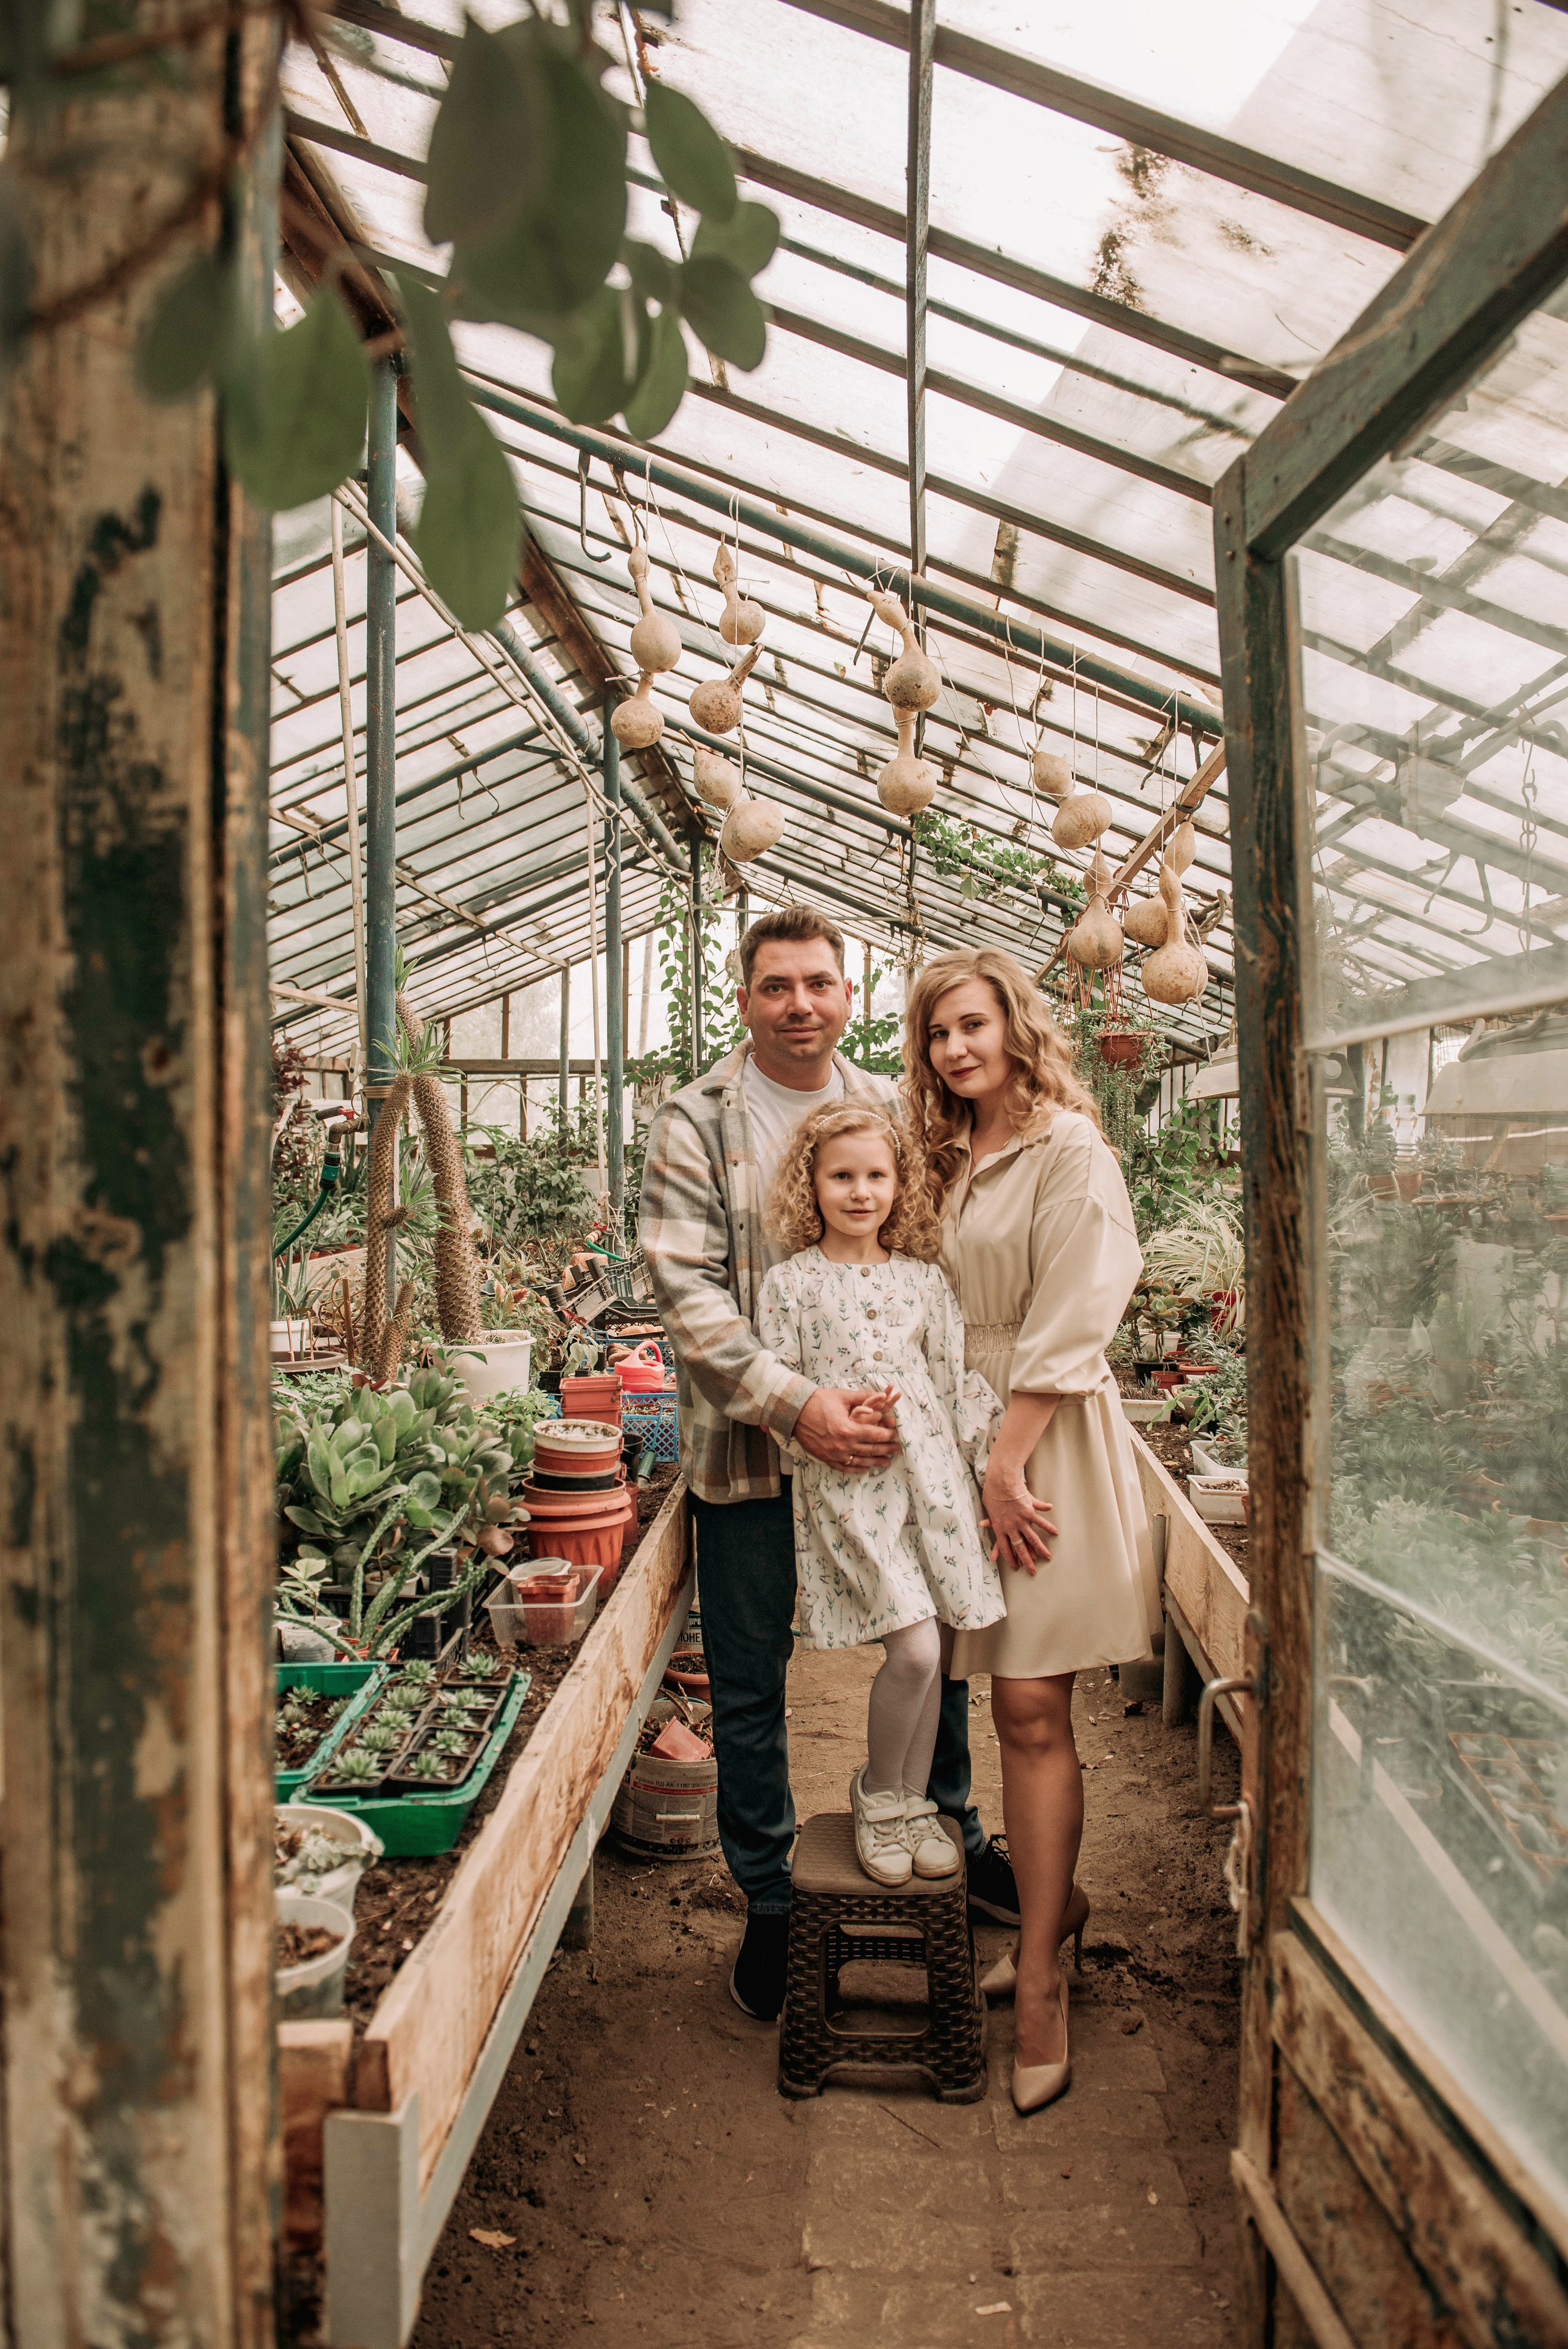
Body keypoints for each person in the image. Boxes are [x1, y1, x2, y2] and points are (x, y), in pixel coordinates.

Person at [639, 907, 1019, 2021]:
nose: (800, 1003)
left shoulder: (892, 1112)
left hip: (893, 1460)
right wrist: (799, 1406)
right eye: (776, 986)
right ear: (745, 997)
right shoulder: (698, 1120)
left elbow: (926, 1267)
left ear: (848, 994)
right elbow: (687, 1291)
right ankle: (767, 1898)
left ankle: (939, 1818)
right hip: (754, 1456)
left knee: (932, 1638)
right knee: (752, 1682)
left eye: (819, 983)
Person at [903, 946, 1159, 2114]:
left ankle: (1046, 1974)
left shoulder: (1069, 1147)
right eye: (936, 1036)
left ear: (1014, 1025)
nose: (956, 1050)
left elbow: (1079, 1304)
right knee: (1006, 1698)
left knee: (1029, 1702)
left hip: (1037, 1440)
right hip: (977, 1438)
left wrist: (1007, 1461)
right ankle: (1055, 1911)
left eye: (971, 1026)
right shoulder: (959, 1156)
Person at [755, 1103, 1008, 1887]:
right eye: (841, 1176)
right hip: (852, 1489)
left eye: (875, 1175)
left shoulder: (924, 1281)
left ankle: (909, 1802)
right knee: (916, 1648)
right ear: (812, 1184)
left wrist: (995, 1470)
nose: (859, 1192)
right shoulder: (789, 1283)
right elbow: (778, 1396)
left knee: (934, 1658)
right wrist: (813, 1422)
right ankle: (875, 1794)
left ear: (900, 1185)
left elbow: (952, 1381)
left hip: (930, 1485)